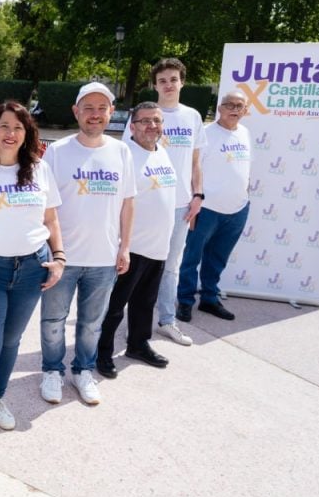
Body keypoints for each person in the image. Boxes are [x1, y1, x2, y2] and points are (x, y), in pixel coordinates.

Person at [0, 101, 64, 454]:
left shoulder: (39, 170)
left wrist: (59, 257)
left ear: (27, 134)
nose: (11, 133)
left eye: (18, 128)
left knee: (11, 342)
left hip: (32, 267)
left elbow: (51, 220)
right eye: (4, 126)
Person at [40, 82, 135, 406]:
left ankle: (84, 370)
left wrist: (124, 247)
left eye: (101, 108)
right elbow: (46, 206)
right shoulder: (58, 151)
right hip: (63, 257)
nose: (95, 115)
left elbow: (128, 203)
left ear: (111, 113)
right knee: (53, 320)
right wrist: (53, 250)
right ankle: (52, 370)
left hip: (104, 257)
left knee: (92, 321)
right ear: (76, 112)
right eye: (88, 108)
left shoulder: (122, 151)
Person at [124, 58, 206, 347]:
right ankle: (127, 322)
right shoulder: (142, 115)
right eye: (162, 80)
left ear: (182, 81)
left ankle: (167, 320)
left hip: (180, 205)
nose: (168, 84)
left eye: (173, 79)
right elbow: (126, 159)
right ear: (155, 84)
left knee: (171, 266)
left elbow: (196, 162)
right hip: (145, 205)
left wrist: (197, 195)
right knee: (132, 266)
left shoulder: (193, 117)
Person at [97, 102, 178, 379]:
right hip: (132, 247)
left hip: (158, 246)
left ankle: (138, 344)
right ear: (132, 127)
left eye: (156, 121)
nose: (151, 126)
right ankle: (102, 351)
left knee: (145, 302)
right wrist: (122, 245)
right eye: (144, 121)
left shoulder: (162, 152)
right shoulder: (125, 156)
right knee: (115, 306)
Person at [176, 90, 252, 322]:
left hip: (237, 208)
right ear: (220, 108)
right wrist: (195, 199)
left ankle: (209, 298)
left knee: (218, 258)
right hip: (207, 209)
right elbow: (193, 168)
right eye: (230, 105)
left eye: (240, 106)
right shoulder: (207, 134)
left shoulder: (245, 133)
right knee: (191, 257)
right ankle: (185, 301)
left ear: (245, 110)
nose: (234, 110)